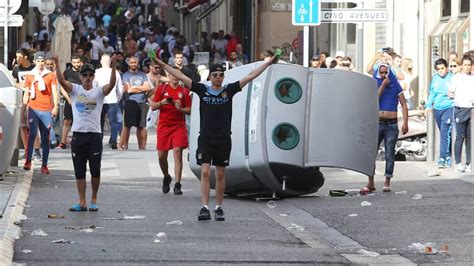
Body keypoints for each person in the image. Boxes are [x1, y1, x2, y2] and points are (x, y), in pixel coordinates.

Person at [152, 54, 276, 221]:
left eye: (221, 75)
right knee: (204, 172)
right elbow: (180, 75)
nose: (218, 77)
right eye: (215, 75)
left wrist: (268, 63)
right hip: (205, 138)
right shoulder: (202, 90)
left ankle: (218, 207)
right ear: (210, 77)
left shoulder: (228, 90)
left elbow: (250, 75)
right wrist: (161, 63)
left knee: (219, 175)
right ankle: (204, 207)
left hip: (223, 138)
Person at [53, 56, 117, 212]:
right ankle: (81, 201)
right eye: (85, 75)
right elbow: (61, 82)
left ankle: (94, 199)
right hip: (78, 136)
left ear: (93, 77)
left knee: (95, 170)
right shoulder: (76, 89)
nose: (88, 78)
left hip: (94, 135)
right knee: (79, 170)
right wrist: (56, 63)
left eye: (90, 75)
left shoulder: (98, 91)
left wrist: (114, 67)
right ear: (80, 77)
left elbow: (112, 84)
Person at [361, 64, 408, 194]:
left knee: (389, 154)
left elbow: (404, 104)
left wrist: (405, 122)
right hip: (378, 123)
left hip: (392, 124)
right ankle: (370, 182)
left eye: (386, 72)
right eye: (381, 73)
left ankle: (387, 181)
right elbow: (373, 99)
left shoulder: (395, 84)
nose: (383, 75)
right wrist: (383, 85)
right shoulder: (375, 83)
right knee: (372, 154)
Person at [149, 67, 192, 195]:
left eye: (177, 74)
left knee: (177, 152)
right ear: (168, 75)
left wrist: (180, 109)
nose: (175, 76)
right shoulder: (162, 89)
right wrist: (161, 103)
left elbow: (190, 109)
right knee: (162, 156)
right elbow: (153, 106)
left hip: (178, 125)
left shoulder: (184, 91)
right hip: (163, 126)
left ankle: (178, 184)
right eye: (172, 74)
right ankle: (166, 176)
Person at [22, 52, 59, 174]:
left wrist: (55, 107)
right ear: (34, 62)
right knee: (32, 134)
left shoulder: (50, 75)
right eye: (38, 61)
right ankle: (28, 161)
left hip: (46, 109)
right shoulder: (29, 75)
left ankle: (44, 165)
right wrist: (23, 109)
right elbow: (26, 94)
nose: (41, 64)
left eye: (42, 61)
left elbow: (54, 92)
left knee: (45, 138)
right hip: (33, 108)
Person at [12, 48, 42, 161]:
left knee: (32, 125)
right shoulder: (16, 70)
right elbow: (14, 84)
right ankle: (26, 150)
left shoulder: (34, 69)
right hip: (20, 100)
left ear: (25, 57)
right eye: (16, 56)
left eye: (19, 57)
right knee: (22, 126)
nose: (17, 59)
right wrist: (22, 85)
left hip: (33, 99)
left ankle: (37, 150)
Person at [119, 56, 152, 150]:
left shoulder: (143, 75)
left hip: (141, 101)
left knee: (141, 126)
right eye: (131, 62)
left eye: (135, 62)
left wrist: (135, 88)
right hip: (130, 101)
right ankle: (126, 146)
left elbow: (147, 87)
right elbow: (128, 90)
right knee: (127, 126)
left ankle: (142, 146)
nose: (133, 64)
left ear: (138, 63)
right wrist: (140, 88)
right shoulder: (125, 75)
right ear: (128, 64)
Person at [425, 59, 454, 168]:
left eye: (442, 68)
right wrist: (428, 105)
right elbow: (432, 92)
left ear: (446, 68)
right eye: (438, 69)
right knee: (444, 133)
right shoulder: (435, 79)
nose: (440, 71)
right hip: (437, 108)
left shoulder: (452, 78)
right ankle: (447, 155)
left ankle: (442, 158)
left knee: (445, 132)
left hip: (449, 107)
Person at [448, 55, 474, 172]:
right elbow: (450, 93)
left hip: (471, 109)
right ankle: (458, 163)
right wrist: (457, 99)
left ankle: (469, 162)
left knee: (470, 138)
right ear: (462, 66)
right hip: (460, 109)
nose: (467, 67)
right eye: (465, 65)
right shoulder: (457, 77)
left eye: (469, 65)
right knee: (460, 137)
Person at [97, 54, 123, 149]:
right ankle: (113, 140)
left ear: (100, 61)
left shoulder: (96, 73)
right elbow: (120, 89)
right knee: (114, 122)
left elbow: (94, 87)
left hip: (100, 100)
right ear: (110, 62)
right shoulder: (115, 72)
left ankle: (99, 139)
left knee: (99, 121)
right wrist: (118, 98)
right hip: (112, 100)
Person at [60, 55, 83, 149]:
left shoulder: (84, 71)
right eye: (74, 62)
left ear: (80, 62)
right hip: (70, 99)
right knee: (67, 121)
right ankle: (63, 142)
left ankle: (79, 141)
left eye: (78, 62)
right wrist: (68, 99)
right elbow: (62, 88)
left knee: (81, 121)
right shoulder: (67, 72)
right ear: (71, 62)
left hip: (82, 99)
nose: (76, 64)